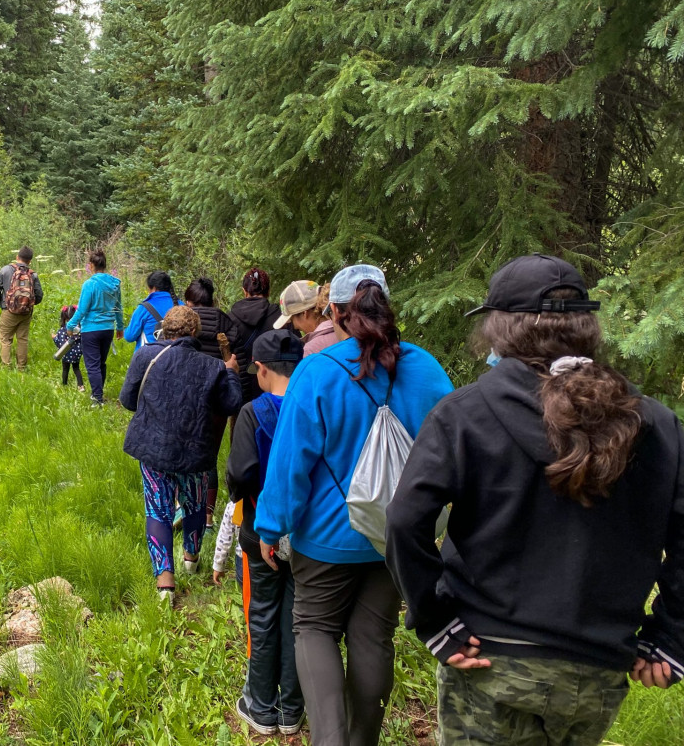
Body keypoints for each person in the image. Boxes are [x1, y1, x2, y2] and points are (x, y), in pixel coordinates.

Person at [387, 254, 684, 746]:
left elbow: (403, 521)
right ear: (586, 326)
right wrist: (671, 636)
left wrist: (434, 619)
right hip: (598, 669)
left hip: (489, 657)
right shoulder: (656, 424)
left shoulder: (465, 414)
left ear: (500, 329)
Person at [254, 264, 453, 746]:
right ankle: (363, 739)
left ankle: (329, 740)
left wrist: (270, 526)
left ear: (335, 312)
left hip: (325, 537)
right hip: (395, 535)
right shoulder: (425, 369)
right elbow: (453, 448)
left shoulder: (318, 371)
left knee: (314, 628)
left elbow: (289, 461)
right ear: (385, 304)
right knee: (373, 639)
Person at [119, 306, 241, 603]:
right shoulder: (211, 366)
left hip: (153, 449)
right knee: (194, 505)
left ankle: (165, 585)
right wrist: (233, 374)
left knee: (157, 509)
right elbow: (232, 403)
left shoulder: (145, 355)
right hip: (195, 451)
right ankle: (191, 557)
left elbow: (127, 401)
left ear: (165, 329)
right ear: (195, 332)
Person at [227, 328, 307, 737]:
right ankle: (292, 708)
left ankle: (261, 705)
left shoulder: (253, 412)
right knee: (298, 619)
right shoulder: (313, 404)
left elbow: (240, 473)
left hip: (261, 529)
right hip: (309, 533)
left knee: (263, 614)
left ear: (260, 369)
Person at [184, 277, 244, 525]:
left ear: (189, 301)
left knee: (186, 451)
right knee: (209, 455)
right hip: (218, 397)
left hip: (188, 396)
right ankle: (208, 517)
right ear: (213, 299)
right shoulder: (226, 321)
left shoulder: (182, 320)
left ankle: (185, 509)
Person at [66, 249, 123, 404]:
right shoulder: (114, 283)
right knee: (100, 363)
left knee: (92, 365)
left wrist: (70, 325)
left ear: (91, 265)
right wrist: (120, 327)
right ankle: (98, 392)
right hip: (108, 329)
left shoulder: (89, 284)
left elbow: (82, 310)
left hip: (91, 330)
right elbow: (118, 307)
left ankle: (97, 398)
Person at [229, 268, 282, 403]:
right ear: (268, 291)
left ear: (244, 291)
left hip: (243, 390)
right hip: (276, 391)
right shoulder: (281, 318)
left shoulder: (230, 319)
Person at [0, 246, 44, 371]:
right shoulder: (33, 275)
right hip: (26, 313)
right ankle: (21, 368)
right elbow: (39, 295)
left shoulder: (5, 270)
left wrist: (2, 302)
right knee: (22, 339)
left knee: (5, 339)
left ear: (17, 257)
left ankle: (6, 366)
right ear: (30, 261)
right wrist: (28, 304)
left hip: (8, 310)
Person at [276, 280, 338, 356]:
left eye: (292, 319)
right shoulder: (349, 327)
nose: (295, 327)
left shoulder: (311, 351)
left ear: (304, 313)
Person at [123, 271, 180, 349]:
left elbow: (129, 336)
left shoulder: (144, 308)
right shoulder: (181, 305)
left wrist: (124, 330)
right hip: (176, 356)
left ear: (154, 288)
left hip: (150, 356)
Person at [53, 305, 84, 390]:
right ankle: (81, 386)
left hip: (65, 353)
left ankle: (64, 384)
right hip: (77, 353)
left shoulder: (63, 330)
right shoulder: (79, 330)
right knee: (76, 369)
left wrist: (54, 338)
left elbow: (60, 343)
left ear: (65, 318)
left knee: (65, 369)